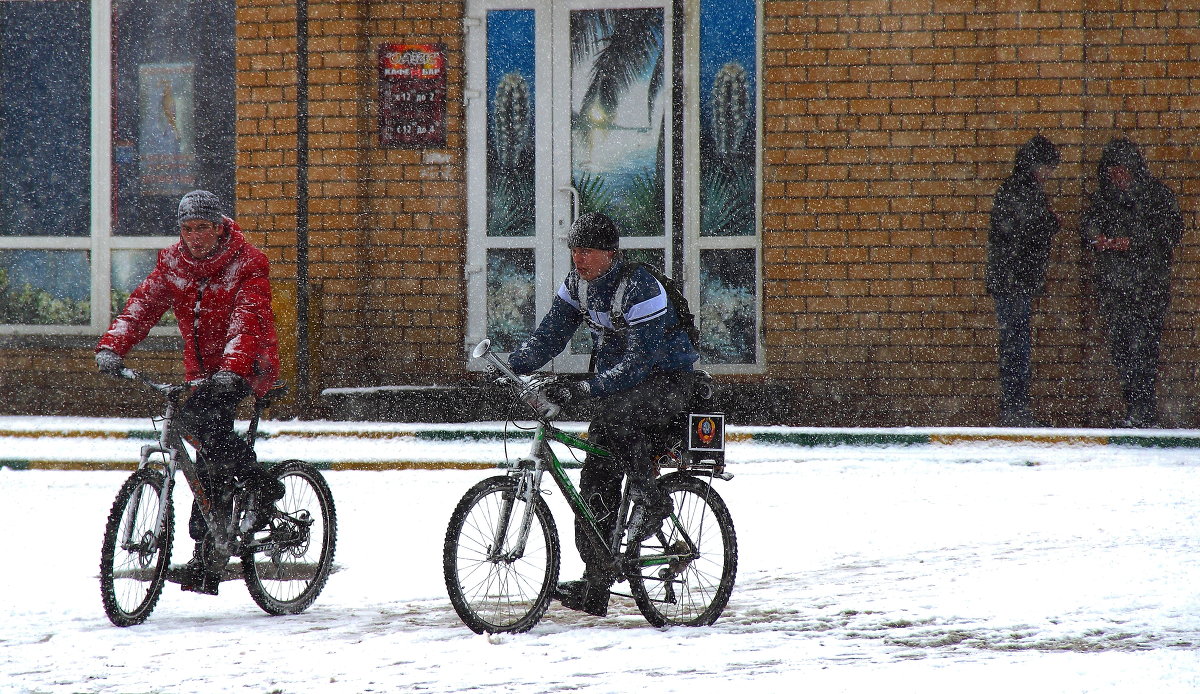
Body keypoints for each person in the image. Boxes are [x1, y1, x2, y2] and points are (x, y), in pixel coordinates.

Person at [507, 212, 699, 617]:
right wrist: (512, 364)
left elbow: (638, 363)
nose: (579, 259)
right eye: (575, 250)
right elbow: (551, 334)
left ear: (610, 253)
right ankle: (596, 583)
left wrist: (584, 387)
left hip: (670, 381)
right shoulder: (578, 286)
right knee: (595, 478)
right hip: (622, 387)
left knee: (620, 419)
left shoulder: (640, 287)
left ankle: (653, 502)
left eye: (588, 251)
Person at [95, 189, 284, 595]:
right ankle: (208, 554)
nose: (195, 236)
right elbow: (142, 305)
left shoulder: (247, 264)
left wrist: (233, 371)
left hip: (246, 364)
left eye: (203, 228)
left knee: (208, 434)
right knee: (202, 453)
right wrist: (113, 346)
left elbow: (246, 320)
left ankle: (263, 487)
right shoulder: (173, 264)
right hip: (201, 372)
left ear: (219, 228)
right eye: (187, 228)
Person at [1082, 138, 1184, 427]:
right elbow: (1087, 225)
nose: (1118, 177)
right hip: (1114, 288)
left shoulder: (1157, 196)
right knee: (1122, 348)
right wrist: (1097, 238)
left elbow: (1171, 231)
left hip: (1148, 287)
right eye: (1113, 171)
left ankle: (1143, 408)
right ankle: (1135, 407)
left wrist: (1135, 243)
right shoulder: (1103, 198)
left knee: (1145, 348)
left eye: (1123, 170)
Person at [985, 135, 1061, 427]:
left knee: (1015, 343)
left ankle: (1015, 406)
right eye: (1046, 168)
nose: (1048, 174)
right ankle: (1015, 408)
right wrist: (1051, 222)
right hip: (1014, 280)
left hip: (1012, 279)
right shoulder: (1022, 191)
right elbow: (1027, 231)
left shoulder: (1018, 189)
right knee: (1016, 345)